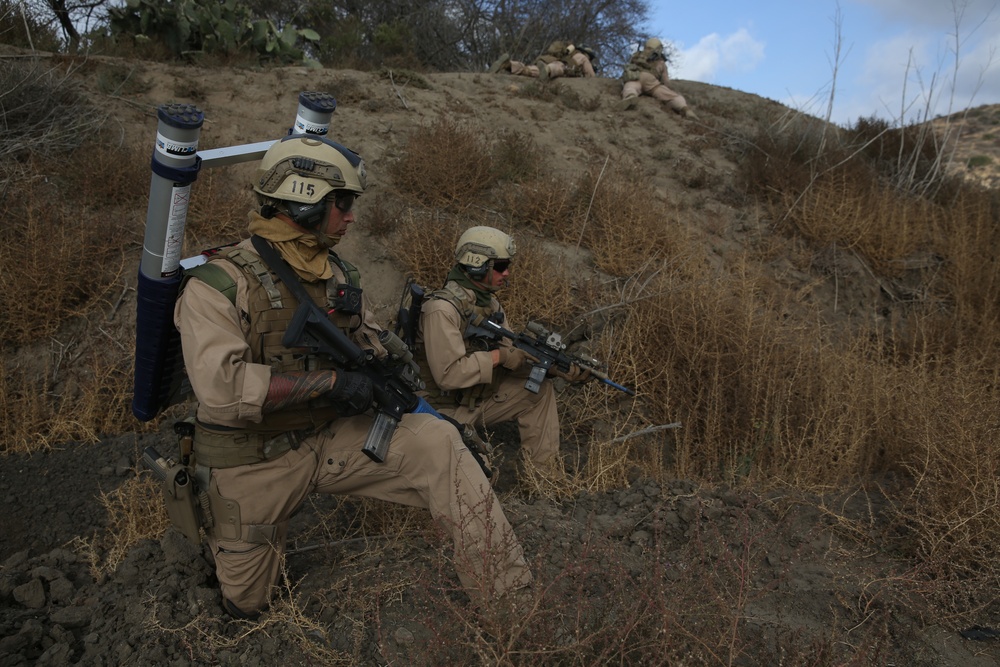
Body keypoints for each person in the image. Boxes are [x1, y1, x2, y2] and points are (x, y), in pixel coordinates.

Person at [173, 136, 531, 619]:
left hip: (329, 436)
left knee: (440, 442)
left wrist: (390, 370)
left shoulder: (338, 275)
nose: (351, 216)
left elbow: (371, 341)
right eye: (342, 203)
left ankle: (510, 607)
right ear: (303, 200)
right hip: (253, 460)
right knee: (248, 603)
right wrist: (333, 384)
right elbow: (221, 392)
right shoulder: (218, 285)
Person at [414, 226, 590, 480]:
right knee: (483, 472)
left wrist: (552, 367)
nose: (506, 272)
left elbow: (512, 351)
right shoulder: (442, 309)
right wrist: (500, 358)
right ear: (477, 265)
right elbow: (448, 375)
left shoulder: (488, 302)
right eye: (500, 266)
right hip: (438, 410)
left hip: (470, 399)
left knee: (538, 391)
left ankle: (544, 478)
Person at [620, 37, 698, 119]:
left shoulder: (636, 56)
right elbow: (666, 81)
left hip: (636, 77)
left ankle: (630, 96)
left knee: (630, 87)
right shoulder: (660, 62)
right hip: (651, 82)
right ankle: (685, 109)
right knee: (670, 96)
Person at [489, 41, 597, 81]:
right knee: (559, 68)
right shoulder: (581, 57)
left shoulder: (566, 52)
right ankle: (548, 70)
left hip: (546, 60)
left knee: (531, 70)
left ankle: (508, 64)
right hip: (558, 65)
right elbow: (591, 78)